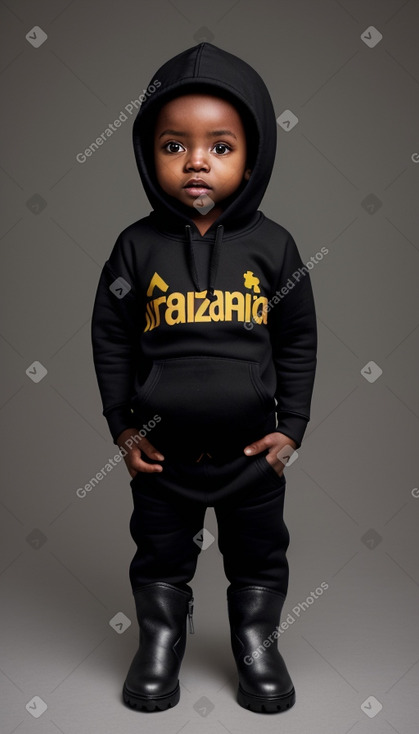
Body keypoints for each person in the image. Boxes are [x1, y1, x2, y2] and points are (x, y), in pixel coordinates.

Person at [91, 42, 317, 714]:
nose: (196, 160)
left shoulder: (273, 249)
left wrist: (292, 428)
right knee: (160, 558)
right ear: (146, 154)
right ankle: (159, 641)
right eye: (173, 145)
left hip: (251, 458)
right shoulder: (136, 247)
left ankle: (256, 643)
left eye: (219, 146)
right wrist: (124, 428)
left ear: (253, 157)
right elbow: (109, 336)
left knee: (257, 558)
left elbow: (299, 338)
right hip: (164, 463)